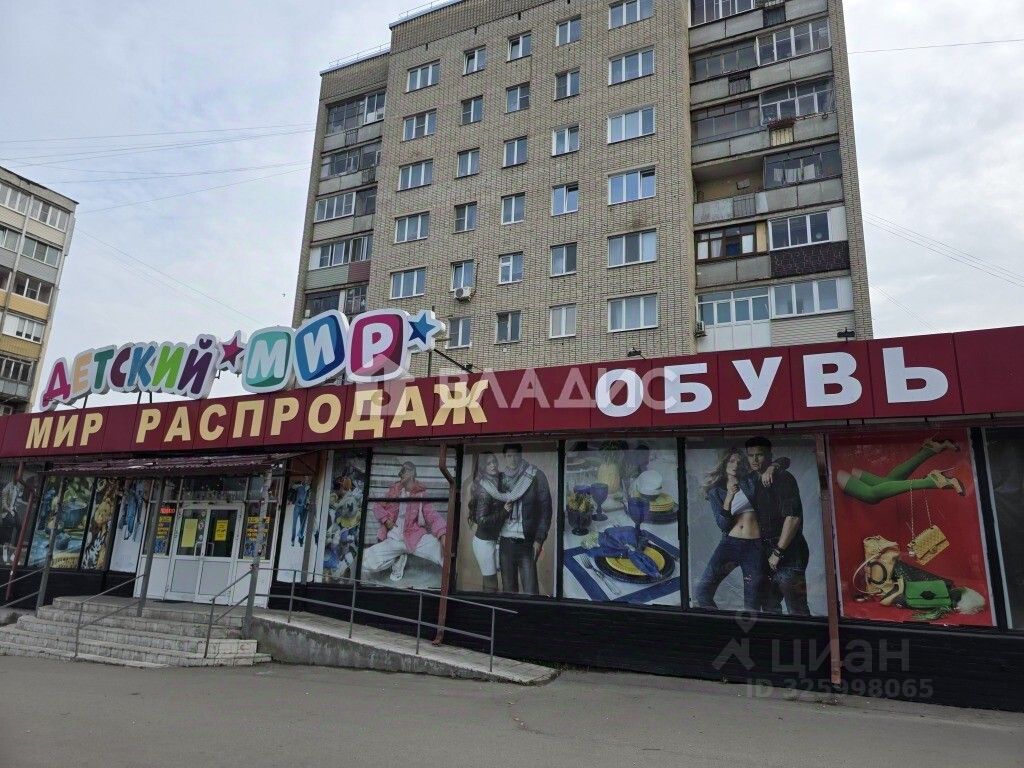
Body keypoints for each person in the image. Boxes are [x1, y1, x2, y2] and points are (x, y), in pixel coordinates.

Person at [694, 449, 765, 611]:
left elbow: (784, 461)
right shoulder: (715, 491)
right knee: (703, 592)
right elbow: (723, 525)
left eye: (739, 462)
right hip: (730, 545)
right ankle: (718, 624)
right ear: (724, 463)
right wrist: (729, 498)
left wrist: (772, 468)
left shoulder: (751, 480)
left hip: (754, 547)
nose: (735, 465)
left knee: (752, 604)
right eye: (731, 461)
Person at [746, 437, 810, 616]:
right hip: (766, 554)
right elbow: (785, 460)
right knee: (769, 609)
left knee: (797, 610)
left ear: (769, 455)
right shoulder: (754, 479)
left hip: (789, 554)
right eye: (751, 455)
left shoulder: (783, 478)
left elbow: (793, 518)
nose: (755, 459)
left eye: (759, 455)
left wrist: (778, 552)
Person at [361, 461, 447, 582]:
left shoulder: (421, 495)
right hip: (395, 537)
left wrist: (443, 534)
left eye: (403, 471)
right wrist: (386, 520)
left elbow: (432, 516)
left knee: (444, 552)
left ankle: (451, 585)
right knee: (365, 560)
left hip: (415, 538)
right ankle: (396, 558)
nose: (400, 474)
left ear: (412, 473)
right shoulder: (394, 491)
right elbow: (377, 506)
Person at [492, 444, 552, 595]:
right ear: (504, 457)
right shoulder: (499, 480)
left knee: (531, 593)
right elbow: (490, 509)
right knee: (509, 593)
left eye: (516, 455)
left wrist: (539, 539)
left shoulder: (535, 476)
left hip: (527, 543)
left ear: (521, 455)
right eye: (509, 456)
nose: (513, 459)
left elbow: (546, 511)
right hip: (505, 543)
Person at [837, 438, 963, 504]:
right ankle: (928, 450)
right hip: (842, 466)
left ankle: (930, 481)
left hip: (834, 474)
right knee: (887, 482)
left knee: (871, 495)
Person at [466, 453, 509, 592]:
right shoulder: (484, 488)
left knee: (495, 582)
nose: (493, 465)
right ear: (483, 467)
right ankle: (487, 606)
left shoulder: (498, 481)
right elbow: (482, 520)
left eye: (494, 462)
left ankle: (488, 605)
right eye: (489, 463)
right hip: (484, 543)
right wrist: (504, 511)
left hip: (497, 539)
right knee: (491, 583)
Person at [0, 469, 24, 566]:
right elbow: (4, 505)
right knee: (10, 526)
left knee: (20, 526)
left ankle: (14, 551)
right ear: (14, 475)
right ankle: (5, 553)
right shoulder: (7, 488)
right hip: (6, 512)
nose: (19, 477)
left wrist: (15, 509)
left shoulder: (17, 488)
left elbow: (16, 500)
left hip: (13, 511)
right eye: (17, 475)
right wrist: (11, 511)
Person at [288, 477, 312, 547]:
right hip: (297, 507)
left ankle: (301, 539)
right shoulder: (299, 486)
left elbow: (309, 497)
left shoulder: (308, 488)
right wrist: (300, 485)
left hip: (303, 508)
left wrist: (308, 504)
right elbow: (293, 487)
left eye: (307, 479)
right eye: (305, 479)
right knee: (294, 524)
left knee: (302, 524)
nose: (306, 480)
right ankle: (293, 540)